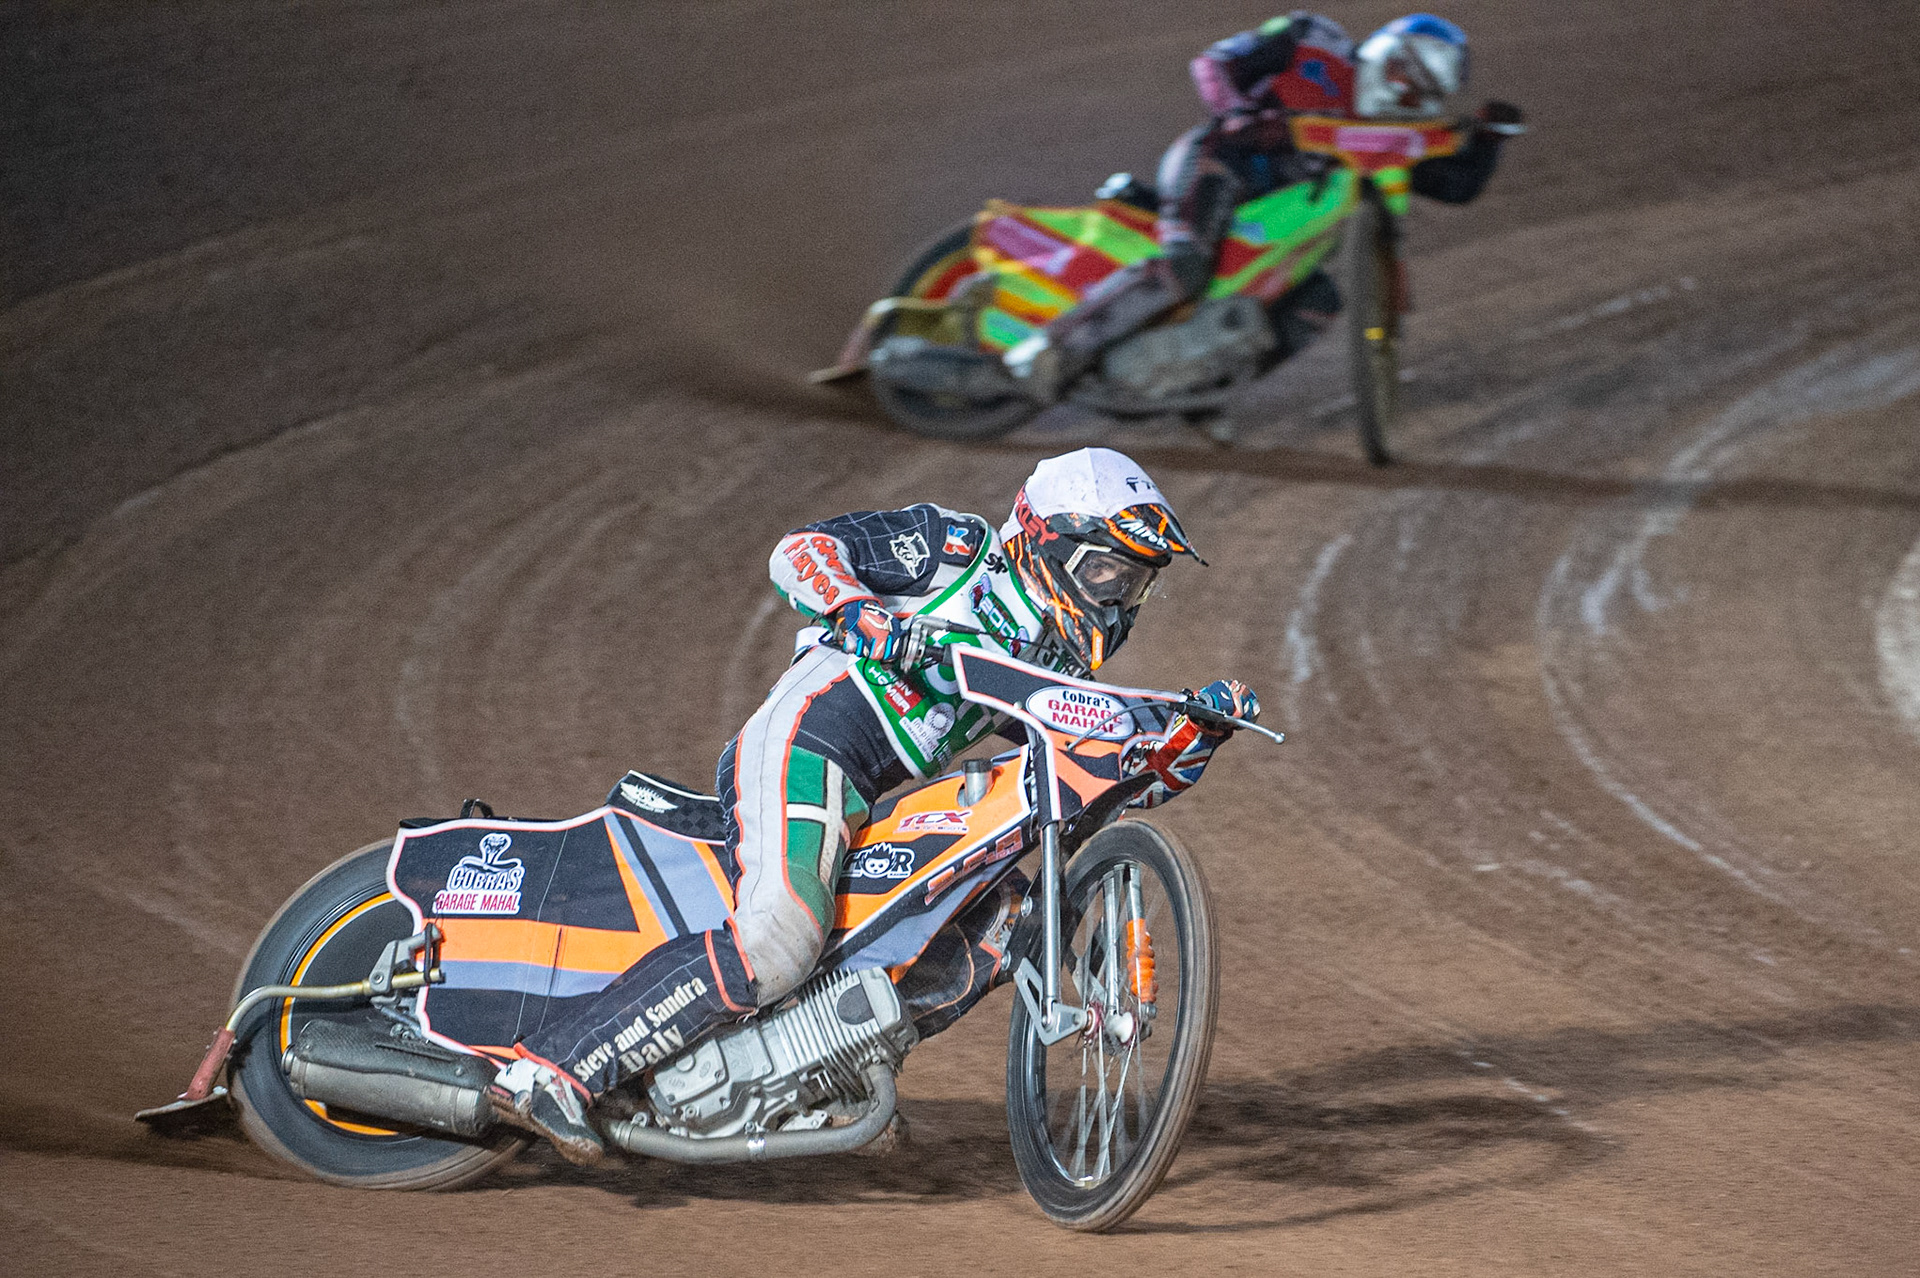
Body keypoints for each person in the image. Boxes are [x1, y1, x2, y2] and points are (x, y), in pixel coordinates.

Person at [486, 448, 1260, 1163]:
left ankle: (820, 1069)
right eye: (1107, 575)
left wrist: (1193, 734)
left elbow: (1108, 790)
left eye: (1135, 585)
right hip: (807, 740)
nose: (1120, 602)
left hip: (871, 794)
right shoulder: (958, 551)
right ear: (1046, 542)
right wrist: (866, 615)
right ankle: (547, 1074)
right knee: (780, 937)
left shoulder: (1054, 664)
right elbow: (801, 552)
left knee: (1001, 925)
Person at [1002, 11, 1524, 403]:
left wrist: (1490, 139)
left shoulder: (1389, 141)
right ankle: (1046, 353)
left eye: (1421, 98)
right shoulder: (1312, 40)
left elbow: (1456, 187)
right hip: (1221, 163)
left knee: (1316, 301)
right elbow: (1215, 64)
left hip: (1273, 235)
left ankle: (1200, 396)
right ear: (1390, 59)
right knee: (1185, 268)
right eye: (1406, 81)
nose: (1406, 99)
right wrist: (1241, 115)